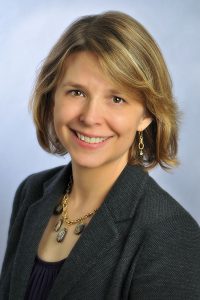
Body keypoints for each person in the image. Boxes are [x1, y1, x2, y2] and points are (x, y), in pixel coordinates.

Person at [0, 10, 200, 300]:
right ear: (52, 96)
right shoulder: (31, 193)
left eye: (117, 99)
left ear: (146, 115)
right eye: (76, 92)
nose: (91, 117)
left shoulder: (171, 236)